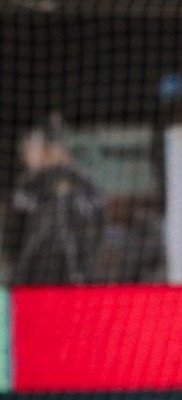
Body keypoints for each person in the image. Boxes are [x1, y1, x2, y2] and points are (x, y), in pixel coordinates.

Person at [3, 117, 105, 285]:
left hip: (75, 278)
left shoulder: (79, 181)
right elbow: (11, 235)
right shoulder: (28, 186)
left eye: (32, 148)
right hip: (32, 279)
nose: (26, 155)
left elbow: (98, 225)